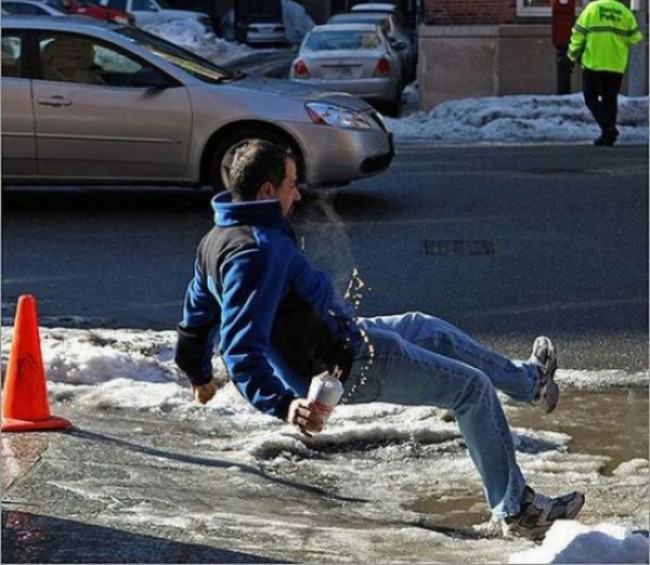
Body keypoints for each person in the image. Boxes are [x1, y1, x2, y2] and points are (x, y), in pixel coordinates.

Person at [175, 140, 585, 540]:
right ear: (267, 190)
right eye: (290, 183)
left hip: (346, 340)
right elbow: (240, 347)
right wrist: (285, 405)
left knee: (428, 329)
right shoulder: (256, 252)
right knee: (471, 391)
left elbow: (196, 320)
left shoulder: (219, 237)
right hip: (347, 365)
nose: (297, 194)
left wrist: (197, 374)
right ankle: (518, 510)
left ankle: (530, 384)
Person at [568, 0, 644, 146]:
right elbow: (635, 38)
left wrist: (572, 55)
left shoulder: (592, 9)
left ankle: (608, 129)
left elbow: (578, 34)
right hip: (615, 64)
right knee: (610, 100)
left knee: (590, 97)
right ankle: (607, 135)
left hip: (594, 63)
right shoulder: (624, 11)